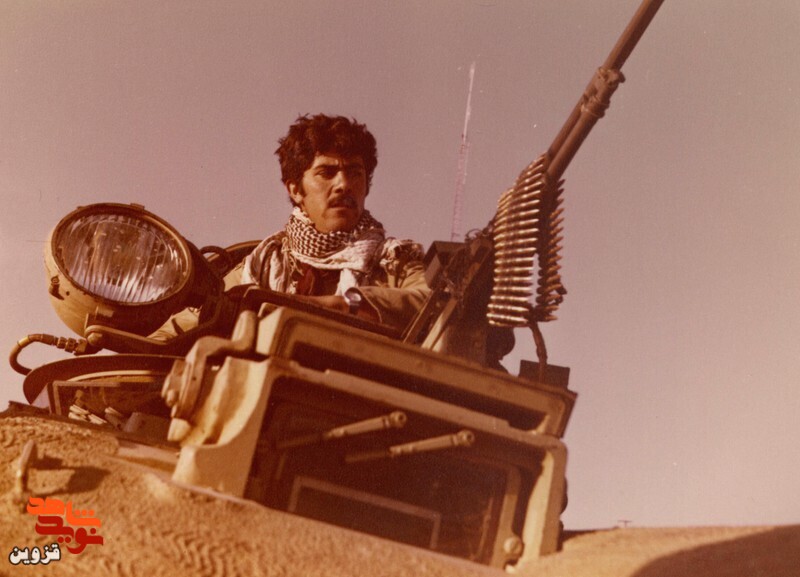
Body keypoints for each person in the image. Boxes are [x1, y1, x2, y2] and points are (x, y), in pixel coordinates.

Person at [151, 114, 430, 341]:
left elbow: (431, 306)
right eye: (326, 172)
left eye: (355, 173)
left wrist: (343, 305)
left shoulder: (394, 261)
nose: (344, 184)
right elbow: (183, 326)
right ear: (295, 189)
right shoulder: (263, 265)